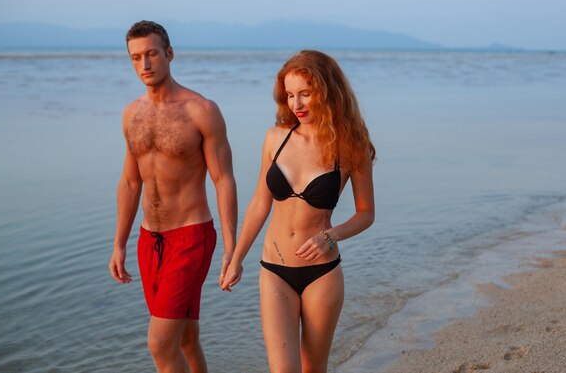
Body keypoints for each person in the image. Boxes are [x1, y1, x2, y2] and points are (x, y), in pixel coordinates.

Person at [221, 50, 375, 373]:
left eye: (305, 93)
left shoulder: (351, 146)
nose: (297, 104)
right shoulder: (275, 138)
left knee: (313, 368)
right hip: (275, 269)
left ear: (326, 91)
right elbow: (260, 202)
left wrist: (331, 237)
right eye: (290, 95)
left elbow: (365, 214)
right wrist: (236, 257)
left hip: (322, 272)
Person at [108, 20, 237, 373]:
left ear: (169, 53)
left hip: (191, 237)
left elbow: (223, 179)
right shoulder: (131, 114)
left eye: (151, 54)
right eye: (136, 58)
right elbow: (130, 182)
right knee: (185, 339)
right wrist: (119, 244)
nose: (144, 65)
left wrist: (231, 248)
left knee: (159, 344)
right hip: (149, 240)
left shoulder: (201, 110)